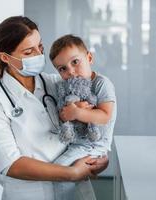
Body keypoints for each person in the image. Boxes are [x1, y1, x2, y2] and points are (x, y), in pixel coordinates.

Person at [0, 16, 109, 200]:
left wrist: (98, 158)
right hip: (31, 195)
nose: (39, 56)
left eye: (40, 47)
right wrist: (70, 173)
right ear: (5, 57)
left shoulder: (56, 83)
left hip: (75, 192)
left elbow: (90, 122)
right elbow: (11, 164)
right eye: (29, 52)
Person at [49, 34, 117, 200]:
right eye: (62, 69)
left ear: (89, 57)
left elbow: (105, 116)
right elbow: (63, 113)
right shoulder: (66, 87)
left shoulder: (101, 83)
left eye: (75, 62)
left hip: (93, 144)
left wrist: (77, 112)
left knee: (58, 170)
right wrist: (69, 112)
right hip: (78, 143)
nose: (71, 71)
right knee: (79, 180)